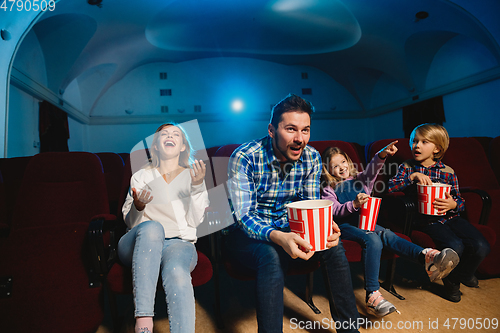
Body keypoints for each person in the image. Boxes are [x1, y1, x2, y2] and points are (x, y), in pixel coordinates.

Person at [225, 94, 360, 333]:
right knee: (271, 256)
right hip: (247, 235)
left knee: (334, 247)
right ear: (271, 130)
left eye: (305, 130)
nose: (300, 139)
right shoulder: (245, 156)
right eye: (290, 129)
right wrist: (279, 236)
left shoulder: (312, 157)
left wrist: (324, 226)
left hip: (291, 228)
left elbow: (309, 205)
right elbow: (244, 217)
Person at [320, 143, 459, 317]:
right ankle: (372, 295)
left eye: (343, 162)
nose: (341, 168)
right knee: (373, 239)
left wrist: (382, 155)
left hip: (367, 222)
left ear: (348, 161)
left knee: (388, 233)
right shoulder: (329, 188)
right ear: (328, 170)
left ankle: (428, 256)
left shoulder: (361, 179)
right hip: (346, 226)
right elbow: (334, 211)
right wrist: (354, 204)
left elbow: (373, 168)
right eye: (335, 166)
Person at [118, 123, 209, 333]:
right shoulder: (141, 176)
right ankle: (143, 324)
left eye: (176, 134)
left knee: (177, 272)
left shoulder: (193, 176)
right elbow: (130, 223)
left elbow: (195, 222)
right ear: (156, 146)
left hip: (178, 243)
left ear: (183, 146)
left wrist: (196, 187)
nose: (170, 136)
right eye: (164, 134)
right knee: (152, 228)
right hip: (138, 242)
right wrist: (138, 206)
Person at [388, 123, 490, 302]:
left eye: (423, 142)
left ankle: (461, 275)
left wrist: (453, 204)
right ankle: (452, 284)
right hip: (426, 220)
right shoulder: (407, 167)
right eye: (414, 141)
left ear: (437, 148)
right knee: (455, 246)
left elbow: (460, 200)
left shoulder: (448, 172)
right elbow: (390, 188)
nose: (416, 145)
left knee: (481, 245)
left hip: (451, 218)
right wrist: (411, 178)